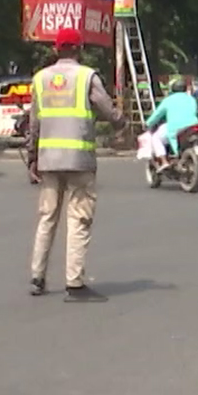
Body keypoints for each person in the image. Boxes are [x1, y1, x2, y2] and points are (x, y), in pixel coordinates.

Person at [30, 28, 124, 300]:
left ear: (55, 49)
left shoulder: (40, 79)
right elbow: (107, 109)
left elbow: (34, 122)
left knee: (47, 217)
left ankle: (37, 276)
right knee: (78, 218)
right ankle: (74, 283)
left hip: (49, 159)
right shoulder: (86, 77)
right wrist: (120, 121)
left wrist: (32, 157)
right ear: (79, 49)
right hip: (79, 160)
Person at [143, 80, 198, 165]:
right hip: (193, 125)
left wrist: (147, 124)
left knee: (156, 138)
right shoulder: (191, 99)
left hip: (176, 127)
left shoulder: (168, 100)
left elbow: (157, 115)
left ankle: (164, 162)